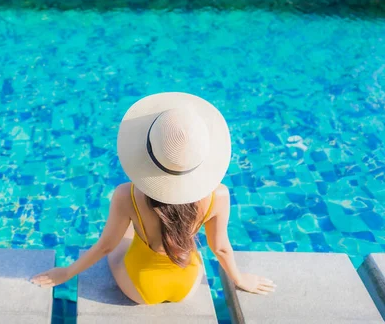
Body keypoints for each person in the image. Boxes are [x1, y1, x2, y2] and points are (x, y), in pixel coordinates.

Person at [31, 92, 275, 304]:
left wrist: (67, 272)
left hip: (140, 287)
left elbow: (106, 246)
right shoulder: (218, 195)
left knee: (124, 236)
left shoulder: (127, 194)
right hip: (186, 285)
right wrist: (241, 280)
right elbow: (221, 248)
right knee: (183, 239)